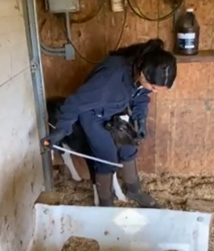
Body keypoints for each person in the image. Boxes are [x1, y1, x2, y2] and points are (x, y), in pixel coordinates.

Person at [41, 38, 177, 207]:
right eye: (154, 87)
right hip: (93, 115)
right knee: (106, 156)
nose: (155, 91)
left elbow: (141, 95)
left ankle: (134, 191)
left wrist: (139, 119)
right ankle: (105, 203)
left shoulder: (141, 70)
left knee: (129, 145)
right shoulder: (110, 78)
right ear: (143, 73)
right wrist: (61, 130)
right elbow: (75, 102)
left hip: (115, 110)